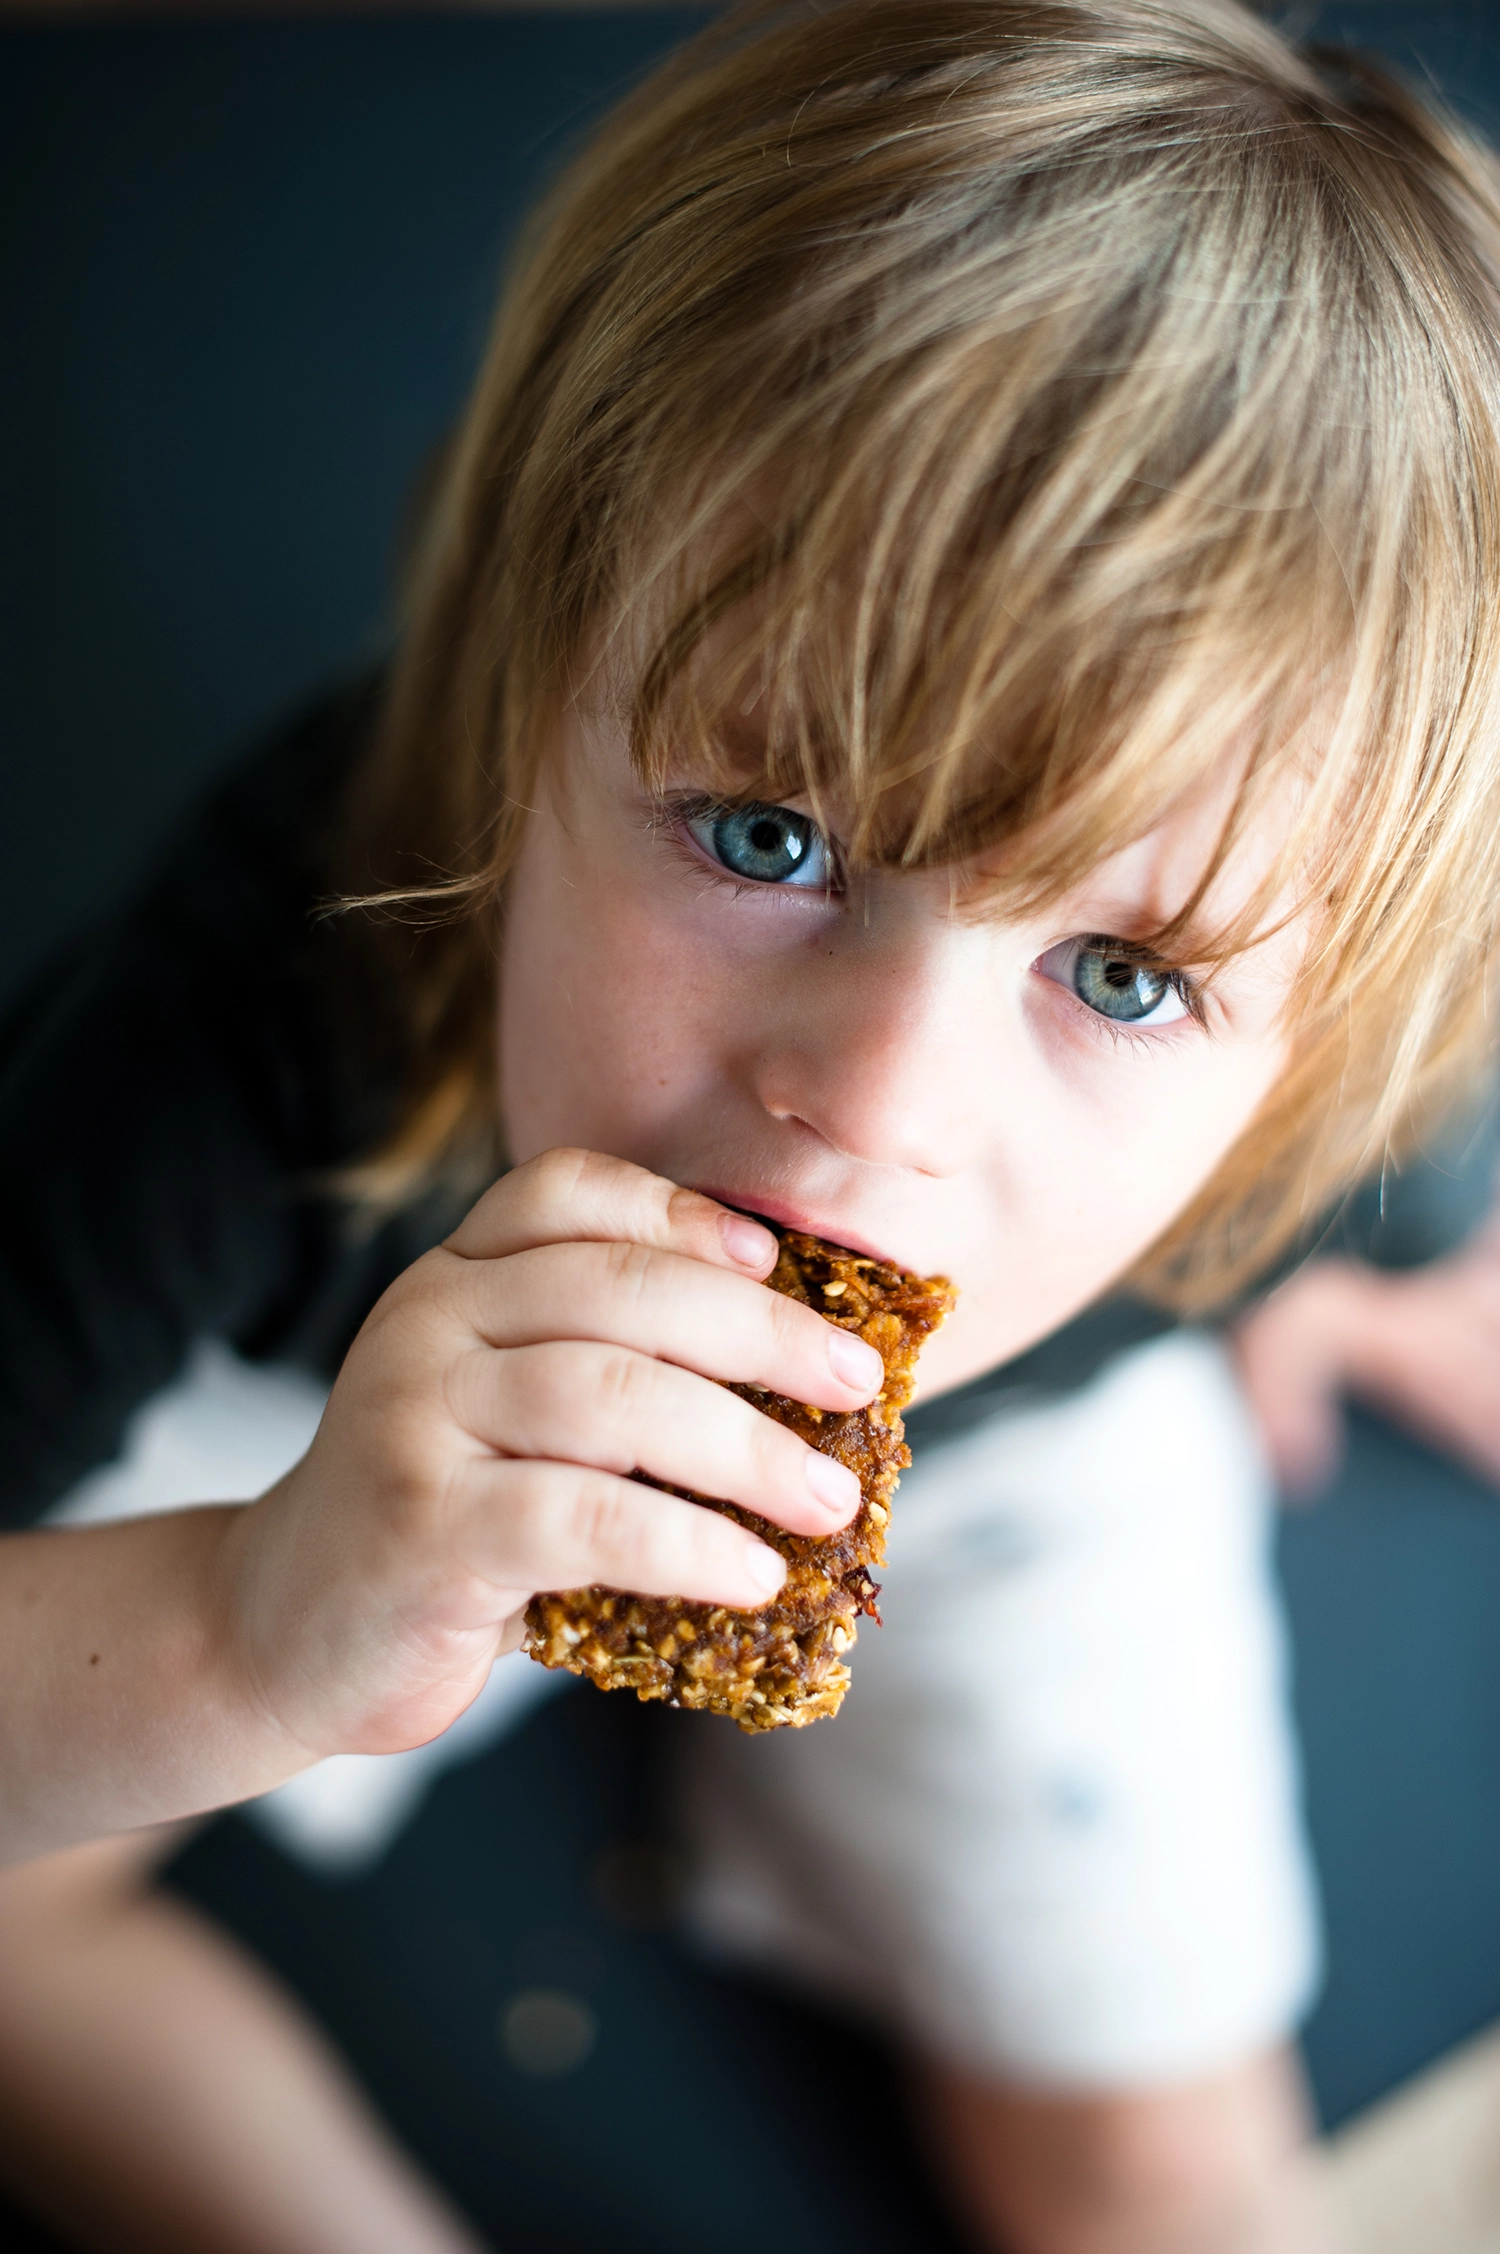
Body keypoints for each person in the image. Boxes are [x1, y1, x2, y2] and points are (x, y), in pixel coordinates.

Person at [3, 0, 1500, 2245]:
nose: (873, 1110)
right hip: (310, 1409)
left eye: (1119, 975)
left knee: (1171, 2159)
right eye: (767, 835)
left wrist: (1330, 1284)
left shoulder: (1339, 1144)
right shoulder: (246, 1027)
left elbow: (1398, 1165)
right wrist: (239, 1616)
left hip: (1015, 1438)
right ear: (527, 687)